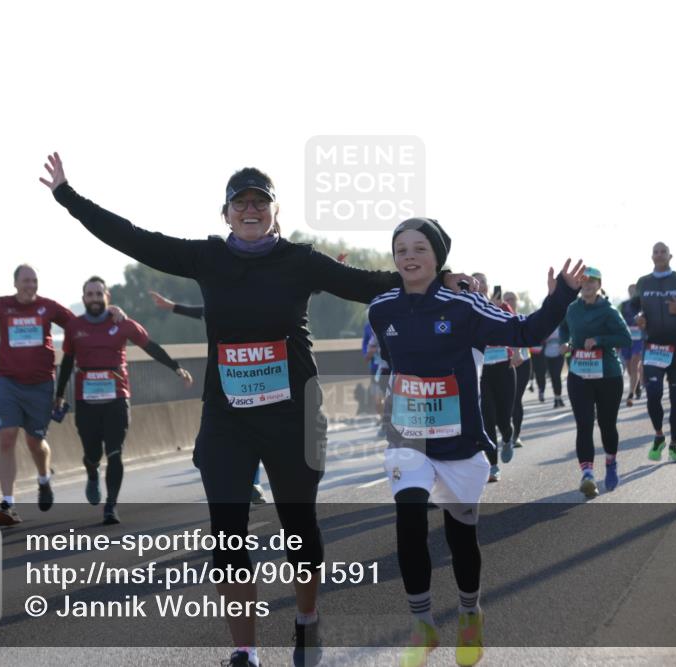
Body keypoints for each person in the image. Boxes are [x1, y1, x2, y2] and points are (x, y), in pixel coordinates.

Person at [40, 152, 476, 667]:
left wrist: (432, 276)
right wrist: (68, 196)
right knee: (226, 532)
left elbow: (367, 283)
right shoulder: (206, 258)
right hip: (228, 417)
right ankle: (245, 650)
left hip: (294, 414)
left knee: (299, 528)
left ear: (274, 211)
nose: (250, 209)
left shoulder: (299, 260)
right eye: (240, 203)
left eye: (260, 202)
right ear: (225, 213)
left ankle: (307, 621)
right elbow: (132, 237)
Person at [368, 217, 583, 667]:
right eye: (401, 248)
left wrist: (561, 294)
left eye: (420, 248)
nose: (409, 256)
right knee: (408, 522)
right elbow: (394, 363)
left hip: (460, 444)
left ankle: (469, 613)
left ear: (438, 257)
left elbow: (525, 332)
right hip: (410, 442)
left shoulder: (464, 308)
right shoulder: (381, 309)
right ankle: (422, 624)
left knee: (460, 537)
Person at [0, 265, 125, 526]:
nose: (30, 285)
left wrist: (113, 313)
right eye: (25, 281)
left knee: (35, 442)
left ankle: (44, 479)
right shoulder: (1, 305)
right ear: (15, 284)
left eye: (34, 281)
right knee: (7, 437)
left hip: (41, 384)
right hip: (7, 383)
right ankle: (8, 504)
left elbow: (82, 325)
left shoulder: (49, 307)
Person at [55, 277, 194, 524]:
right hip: (86, 400)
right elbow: (67, 362)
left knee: (116, 452)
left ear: (107, 296)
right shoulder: (75, 327)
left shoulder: (123, 324)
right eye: (90, 294)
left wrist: (176, 368)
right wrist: (58, 395)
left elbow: (150, 347)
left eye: (99, 294)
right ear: (84, 298)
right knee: (91, 453)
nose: (95, 298)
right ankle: (91, 472)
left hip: (117, 396)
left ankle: (111, 505)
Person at [150, 289, 270, 505]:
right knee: (204, 453)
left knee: (254, 435)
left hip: (253, 383)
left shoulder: (261, 308)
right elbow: (202, 311)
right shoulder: (219, 310)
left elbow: (296, 291)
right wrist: (172, 306)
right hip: (221, 388)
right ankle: (234, 478)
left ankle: (253, 484)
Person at [628, 242, 676, 463]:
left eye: (663, 251)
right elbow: (631, 306)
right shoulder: (644, 282)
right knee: (653, 394)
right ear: (651, 256)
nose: (659, 255)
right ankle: (659, 436)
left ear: (670, 256)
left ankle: (674, 445)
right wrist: (637, 317)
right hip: (653, 346)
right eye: (656, 251)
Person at [559, 267, 630, 498]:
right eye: (584, 281)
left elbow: (625, 338)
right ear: (579, 284)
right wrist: (566, 343)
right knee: (584, 423)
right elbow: (564, 330)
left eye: (592, 282)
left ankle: (610, 463)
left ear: (599, 285)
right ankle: (587, 474)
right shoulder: (572, 309)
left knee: (607, 424)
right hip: (579, 373)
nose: (587, 285)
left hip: (608, 374)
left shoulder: (609, 310)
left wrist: (599, 340)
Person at [475, 276, 516, 481]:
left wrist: (498, 308)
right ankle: (493, 465)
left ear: (488, 286)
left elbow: (515, 327)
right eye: (474, 281)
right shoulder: (466, 309)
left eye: (482, 281)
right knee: (487, 419)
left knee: (503, 418)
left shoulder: (502, 306)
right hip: (481, 373)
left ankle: (508, 437)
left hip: (504, 368)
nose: (478, 284)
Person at [502, 292, 533, 447]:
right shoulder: (500, 317)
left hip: (523, 362)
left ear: (517, 301)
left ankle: (516, 435)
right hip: (505, 363)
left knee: (516, 399)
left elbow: (528, 337)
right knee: (506, 400)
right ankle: (506, 429)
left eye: (512, 298)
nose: (509, 301)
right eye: (506, 299)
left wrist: (518, 350)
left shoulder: (522, 319)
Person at [618, 284, 644, 407]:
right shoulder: (623, 305)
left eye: (634, 291)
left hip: (639, 339)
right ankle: (636, 386)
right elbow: (618, 320)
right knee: (629, 368)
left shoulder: (643, 304)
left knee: (635, 364)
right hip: (627, 339)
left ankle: (631, 394)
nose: (632, 293)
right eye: (630, 291)